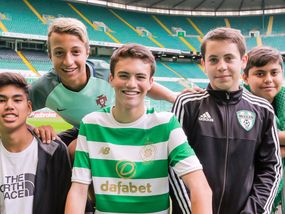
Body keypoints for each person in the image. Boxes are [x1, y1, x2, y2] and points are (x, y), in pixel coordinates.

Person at [65, 43, 212, 214]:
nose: (131, 84)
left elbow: (200, 187)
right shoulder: (91, 125)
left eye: (140, 77)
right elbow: (78, 191)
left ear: (150, 83)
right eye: (124, 75)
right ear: (111, 78)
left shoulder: (166, 124)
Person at [170, 27, 282, 214]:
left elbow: (271, 168)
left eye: (229, 58)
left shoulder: (262, 110)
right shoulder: (187, 104)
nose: (222, 66)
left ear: (243, 61)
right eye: (213, 60)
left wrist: (252, 211)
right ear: (203, 64)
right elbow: (173, 166)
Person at [28, 17, 178, 145]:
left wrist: (176, 98)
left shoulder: (105, 73)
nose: (68, 61)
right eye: (59, 53)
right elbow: (11, 109)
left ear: (87, 51)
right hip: (84, 130)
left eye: (75, 52)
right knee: (48, 148)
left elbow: (143, 83)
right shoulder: (45, 88)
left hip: (117, 127)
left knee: (75, 149)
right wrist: (35, 130)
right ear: (50, 55)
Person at [0, 72, 71, 214]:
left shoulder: (54, 150)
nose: (9, 106)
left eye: (17, 100)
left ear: (29, 108)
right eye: (1, 100)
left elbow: (68, 202)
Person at [242, 46, 285, 213]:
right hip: (248, 191)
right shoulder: (239, 103)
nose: (268, 79)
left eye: (274, 73)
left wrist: (264, 145)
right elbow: (245, 147)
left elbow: (259, 145)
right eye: (260, 74)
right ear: (245, 77)